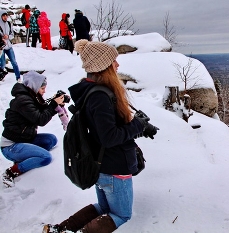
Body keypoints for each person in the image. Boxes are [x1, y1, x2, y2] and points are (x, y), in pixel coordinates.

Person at [42, 40, 159, 233]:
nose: (117, 65)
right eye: (114, 61)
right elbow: (109, 137)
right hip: (114, 167)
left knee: (104, 209)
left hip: (102, 164)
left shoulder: (90, 90)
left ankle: (60, 230)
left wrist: (139, 128)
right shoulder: (100, 96)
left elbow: (104, 130)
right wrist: (136, 124)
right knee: (121, 215)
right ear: (103, 66)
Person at [0, 71, 65, 188]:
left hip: (24, 139)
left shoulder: (30, 97)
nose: (44, 91)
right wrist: (53, 105)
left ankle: (28, 155)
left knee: (51, 140)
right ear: (34, 86)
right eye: (43, 88)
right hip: (11, 146)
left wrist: (57, 104)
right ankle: (11, 172)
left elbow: (42, 111)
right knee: (46, 157)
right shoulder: (23, 101)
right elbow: (40, 119)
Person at [0, 10, 21, 82]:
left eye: (6, 16)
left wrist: (8, 36)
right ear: (1, 16)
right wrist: (2, 38)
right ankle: (1, 77)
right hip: (1, 48)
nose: (5, 17)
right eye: (3, 16)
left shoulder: (9, 24)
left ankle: (18, 78)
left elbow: (12, 35)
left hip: (9, 46)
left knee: (14, 62)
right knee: (2, 64)